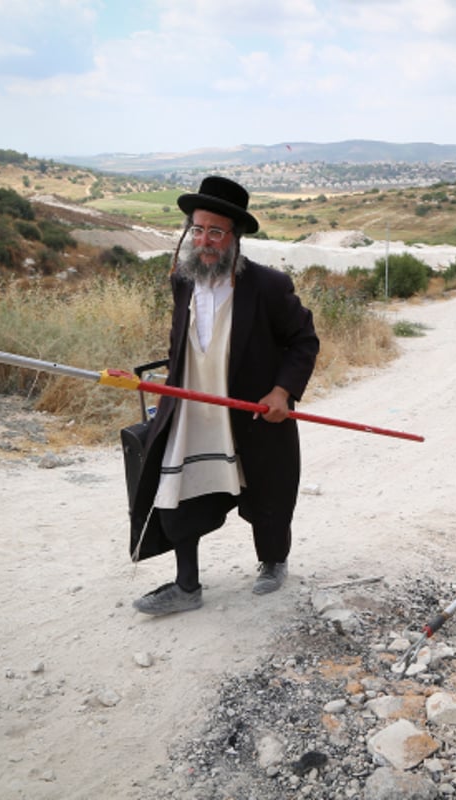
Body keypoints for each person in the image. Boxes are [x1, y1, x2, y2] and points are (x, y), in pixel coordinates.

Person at [128, 176, 319, 615]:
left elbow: (303, 341)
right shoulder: (182, 280)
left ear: (235, 238)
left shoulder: (268, 287)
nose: (204, 241)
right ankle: (186, 586)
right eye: (197, 230)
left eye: (216, 232)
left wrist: (282, 392)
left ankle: (273, 562)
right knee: (180, 488)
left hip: (252, 412)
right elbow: (185, 344)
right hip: (194, 408)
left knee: (267, 492)